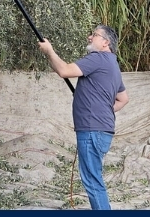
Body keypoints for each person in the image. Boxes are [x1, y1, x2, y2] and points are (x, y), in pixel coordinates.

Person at [38, 24, 129, 210]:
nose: (89, 37)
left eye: (94, 35)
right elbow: (123, 99)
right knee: (94, 178)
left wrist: (49, 51)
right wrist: (100, 108)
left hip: (91, 131)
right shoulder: (112, 63)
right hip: (101, 130)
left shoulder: (98, 58)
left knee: (93, 182)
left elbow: (64, 70)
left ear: (106, 42)